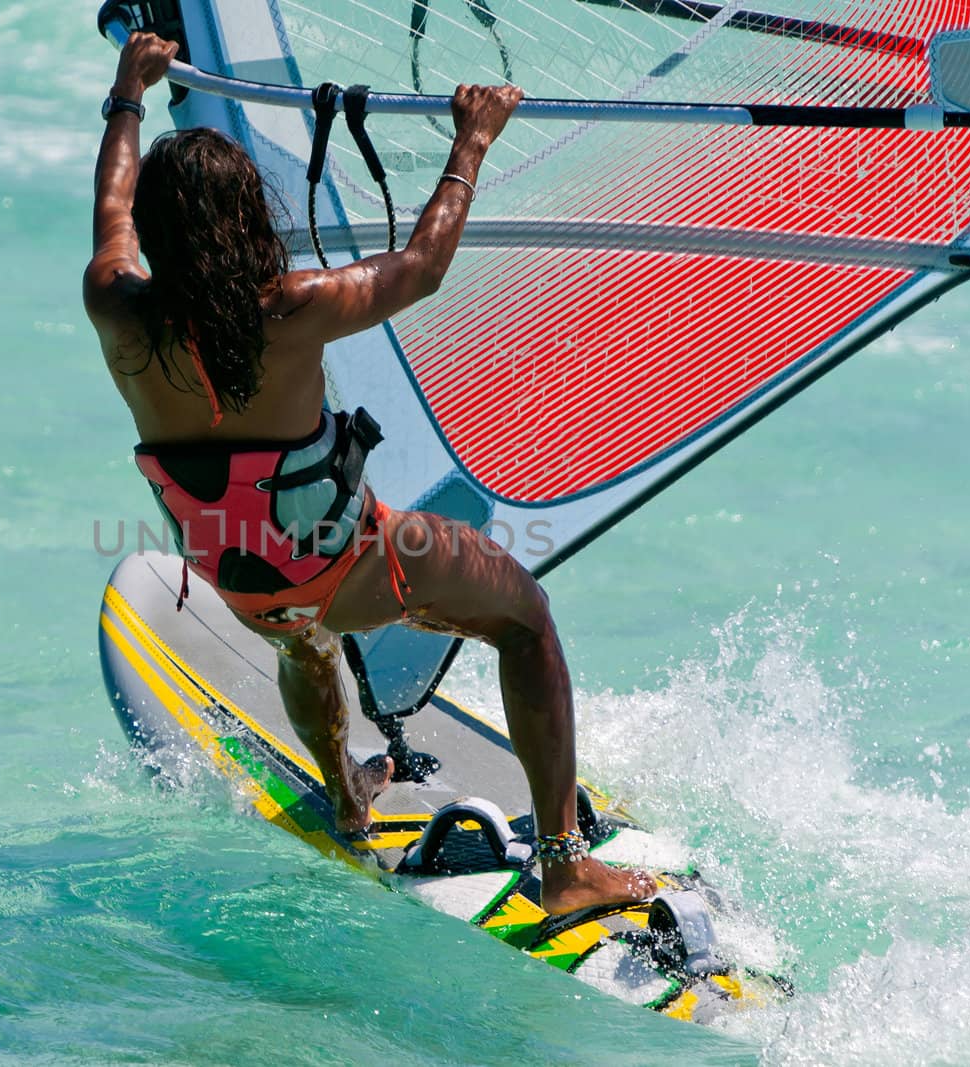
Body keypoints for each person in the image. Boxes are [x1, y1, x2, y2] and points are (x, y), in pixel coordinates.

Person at [84, 32, 654, 913]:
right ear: (244, 222)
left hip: (242, 586)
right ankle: (566, 868)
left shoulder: (115, 308)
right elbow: (421, 269)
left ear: (159, 233)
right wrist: (472, 142)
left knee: (300, 636)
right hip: (355, 566)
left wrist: (130, 90)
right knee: (525, 620)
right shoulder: (293, 309)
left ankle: (347, 790)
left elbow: (111, 201)